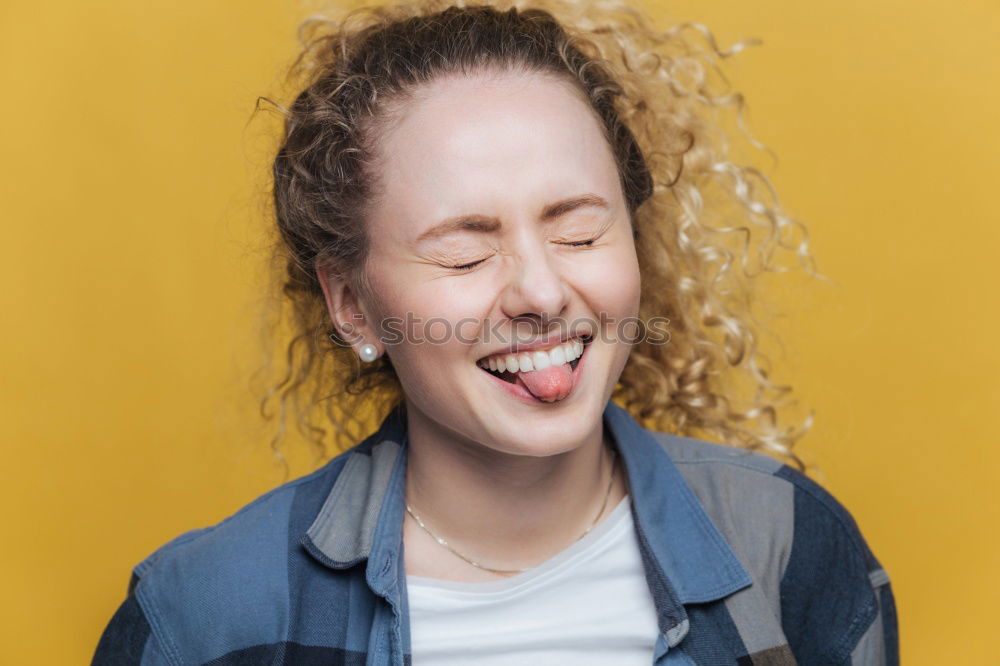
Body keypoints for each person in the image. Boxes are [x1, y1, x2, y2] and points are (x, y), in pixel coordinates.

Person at [92, 0, 898, 663]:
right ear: (352, 304)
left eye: (580, 234)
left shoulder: (791, 543)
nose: (543, 291)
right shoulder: (203, 617)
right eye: (465, 250)